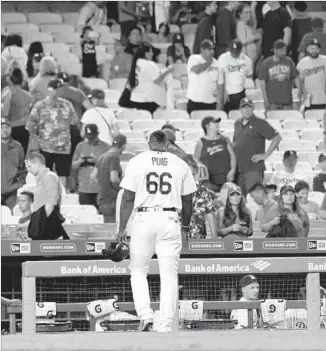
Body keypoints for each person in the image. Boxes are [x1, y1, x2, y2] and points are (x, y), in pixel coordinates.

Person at [117, 130, 197, 332]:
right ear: (168, 144)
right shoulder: (179, 163)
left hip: (144, 218)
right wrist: (185, 227)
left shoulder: (137, 160)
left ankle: (145, 315)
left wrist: (121, 228)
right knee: (169, 274)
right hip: (170, 218)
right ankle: (166, 323)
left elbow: (127, 196)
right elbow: (188, 200)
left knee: (138, 270)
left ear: (149, 143)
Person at [26, 78, 79, 189]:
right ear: (51, 90)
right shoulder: (40, 106)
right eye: (58, 89)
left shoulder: (67, 104)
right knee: (44, 173)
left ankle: (62, 197)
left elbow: (75, 122)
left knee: (62, 174)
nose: (61, 91)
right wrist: (36, 138)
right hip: (45, 146)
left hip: (63, 147)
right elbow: (30, 125)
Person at [233, 98, 282, 196]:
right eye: (244, 107)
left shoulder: (260, 123)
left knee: (254, 199)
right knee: (239, 200)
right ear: (240, 109)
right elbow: (236, 142)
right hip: (238, 170)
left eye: (249, 107)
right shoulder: (237, 123)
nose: (246, 110)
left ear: (253, 109)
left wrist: (265, 155)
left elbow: (277, 137)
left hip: (253, 169)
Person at [125, 43, 174, 114]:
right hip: (146, 102)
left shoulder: (136, 62)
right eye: (150, 52)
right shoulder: (149, 64)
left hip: (134, 100)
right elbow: (157, 80)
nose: (152, 54)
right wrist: (168, 71)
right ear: (145, 53)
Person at [194, 116, 236, 192]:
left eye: (217, 122)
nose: (217, 124)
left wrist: (233, 170)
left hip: (226, 178)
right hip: (209, 181)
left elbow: (232, 156)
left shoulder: (224, 139)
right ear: (207, 126)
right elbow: (195, 160)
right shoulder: (201, 142)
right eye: (214, 122)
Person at [72, 124, 110, 207]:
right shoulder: (80, 146)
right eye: (88, 137)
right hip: (84, 188)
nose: (90, 140)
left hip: (99, 189)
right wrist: (80, 161)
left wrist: (98, 161)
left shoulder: (106, 147)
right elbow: (73, 166)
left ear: (97, 134)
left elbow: (110, 167)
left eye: (92, 137)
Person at [259, 39, 301, 111]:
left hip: (287, 102)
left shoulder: (289, 61)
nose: (284, 52)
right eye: (281, 51)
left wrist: (299, 89)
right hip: (272, 103)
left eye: (285, 50)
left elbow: (295, 76)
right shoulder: (266, 63)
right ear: (275, 50)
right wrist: (265, 99)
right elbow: (263, 82)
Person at [1, 68, 33, 154]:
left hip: (13, 128)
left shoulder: (9, 94)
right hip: (25, 129)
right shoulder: (28, 95)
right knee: (22, 154)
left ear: (10, 81)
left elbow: (4, 113)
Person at [217, 39, 253, 113]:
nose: (234, 54)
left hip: (240, 93)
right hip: (226, 93)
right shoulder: (223, 58)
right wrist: (222, 94)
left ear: (240, 50)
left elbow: (249, 76)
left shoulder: (247, 60)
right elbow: (219, 78)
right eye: (232, 51)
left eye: (236, 52)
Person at [97, 135, 127, 223]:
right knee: (113, 230)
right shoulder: (114, 158)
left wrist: (104, 185)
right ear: (124, 146)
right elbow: (114, 179)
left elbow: (93, 176)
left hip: (102, 199)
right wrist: (124, 189)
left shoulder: (102, 156)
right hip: (112, 200)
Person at [186, 155, 217, 239]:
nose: (190, 178)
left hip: (199, 237)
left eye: (193, 174)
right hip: (178, 239)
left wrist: (215, 238)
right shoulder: (174, 190)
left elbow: (210, 214)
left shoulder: (203, 191)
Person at [187, 39, 219, 115]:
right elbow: (197, 70)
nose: (212, 51)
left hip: (211, 102)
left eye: (212, 49)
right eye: (209, 49)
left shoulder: (217, 63)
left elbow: (219, 83)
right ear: (202, 49)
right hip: (195, 101)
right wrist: (209, 62)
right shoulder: (194, 58)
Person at [1, 118, 26, 211]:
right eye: (1, 127)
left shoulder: (18, 147)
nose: (4, 130)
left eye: (6, 127)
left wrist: (19, 184)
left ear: (11, 129)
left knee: (11, 220)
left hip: (11, 192)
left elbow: (23, 169)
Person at [297, 38, 326, 111]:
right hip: (308, 100)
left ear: (319, 49)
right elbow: (299, 81)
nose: (314, 51)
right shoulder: (302, 63)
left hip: (323, 98)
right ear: (307, 49)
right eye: (311, 48)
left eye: (316, 48)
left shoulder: (325, 60)